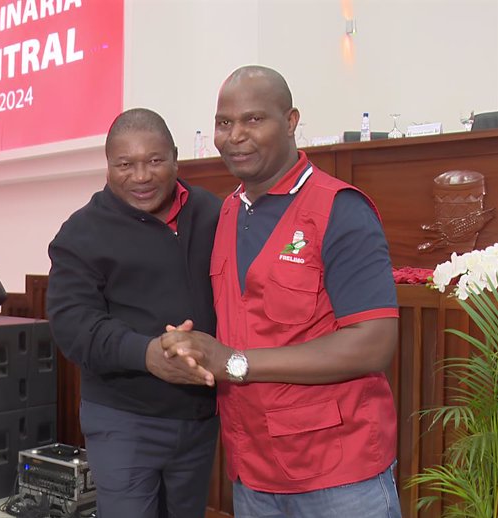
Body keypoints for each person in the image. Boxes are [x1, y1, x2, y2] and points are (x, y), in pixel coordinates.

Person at [161, 66, 403, 518]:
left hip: (338, 474)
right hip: (253, 471)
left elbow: (374, 344)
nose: (235, 136)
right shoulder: (227, 212)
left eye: (254, 120)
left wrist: (232, 361)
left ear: (291, 121)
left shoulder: (339, 209)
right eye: (224, 123)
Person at [46, 108, 222, 518]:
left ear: (176, 158)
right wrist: (147, 354)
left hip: (200, 417)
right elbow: (73, 325)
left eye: (155, 161)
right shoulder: (80, 233)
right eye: (125, 164)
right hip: (123, 419)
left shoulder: (213, 213)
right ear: (108, 166)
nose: (141, 176)